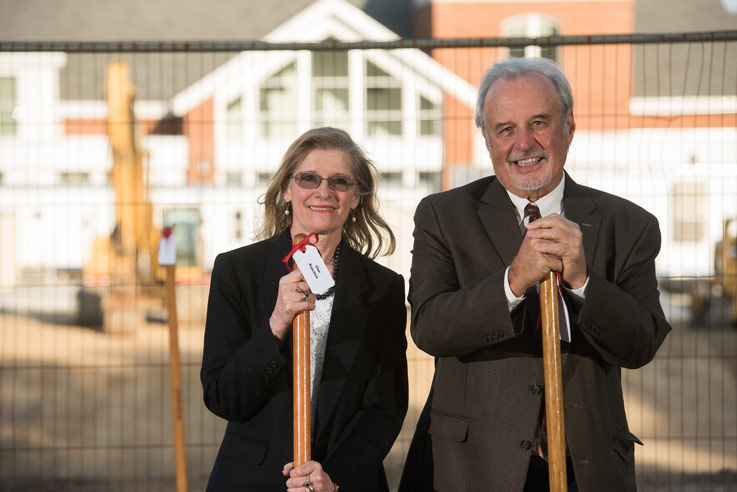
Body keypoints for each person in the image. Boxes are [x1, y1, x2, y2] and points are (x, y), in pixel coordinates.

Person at [398, 58, 671, 492]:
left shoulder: (629, 224)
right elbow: (429, 328)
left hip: (588, 466)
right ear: (487, 139)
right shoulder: (443, 215)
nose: (523, 143)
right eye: (505, 129)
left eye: (539, 123)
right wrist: (512, 282)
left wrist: (583, 282)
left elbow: (640, 344)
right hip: (476, 467)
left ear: (569, 125)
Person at [201, 127, 408, 492]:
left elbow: (384, 408)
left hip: (342, 482)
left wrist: (335, 478)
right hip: (253, 480)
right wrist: (276, 323)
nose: (324, 192)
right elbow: (223, 396)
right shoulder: (237, 271)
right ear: (286, 189)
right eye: (309, 178)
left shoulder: (383, 289)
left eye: (340, 181)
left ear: (356, 197)